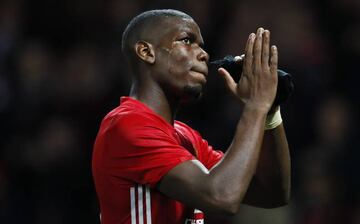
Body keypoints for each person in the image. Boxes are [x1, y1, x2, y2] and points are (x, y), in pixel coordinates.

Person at [92, 9, 291, 224]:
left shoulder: (185, 136)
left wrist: (269, 113)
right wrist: (255, 107)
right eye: (187, 40)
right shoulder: (126, 125)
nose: (203, 54)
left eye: (201, 46)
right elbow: (222, 197)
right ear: (146, 51)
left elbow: (271, 194)